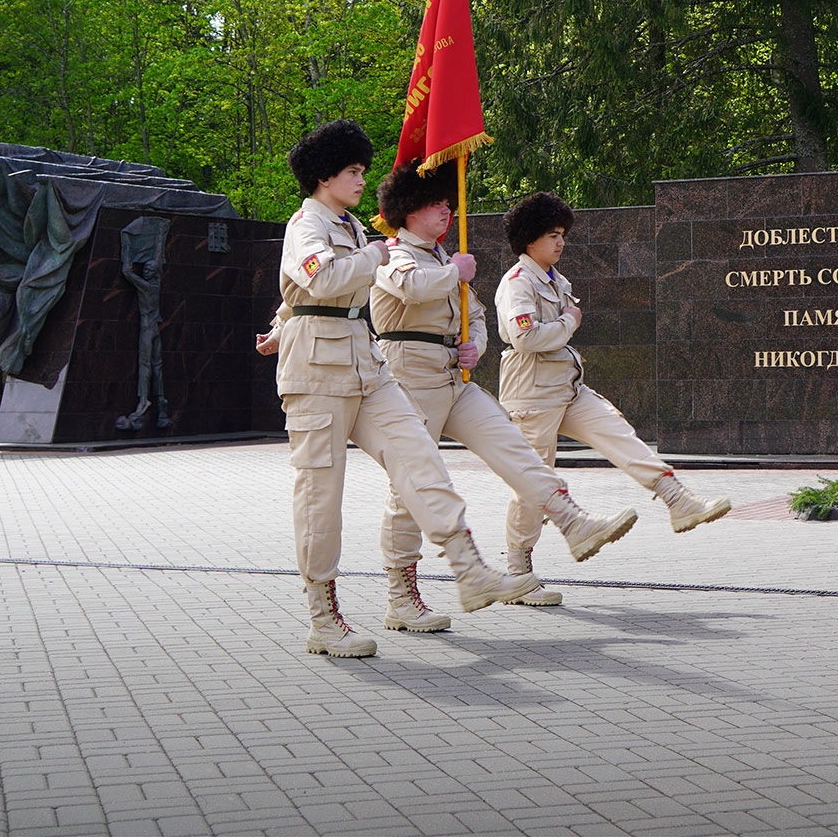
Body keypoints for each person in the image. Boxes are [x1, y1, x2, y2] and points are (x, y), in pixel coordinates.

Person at [257, 121, 537, 656]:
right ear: (324, 177)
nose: (363, 180)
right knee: (321, 495)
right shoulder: (307, 225)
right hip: (316, 373)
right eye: (353, 171)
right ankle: (323, 617)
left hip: (365, 363)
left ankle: (467, 567)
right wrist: (373, 258)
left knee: (418, 455)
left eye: (363, 171)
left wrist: (277, 324)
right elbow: (319, 279)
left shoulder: (352, 226)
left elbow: (303, 292)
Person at [370, 160, 637, 628]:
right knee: (410, 485)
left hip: (453, 375)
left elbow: (472, 313)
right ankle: (401, 595)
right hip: (410, 375)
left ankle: (572, 521)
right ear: (408, 209)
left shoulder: (441, 257)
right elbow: (411, 290)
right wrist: (454, 272)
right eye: (436, 204)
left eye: (449, 205)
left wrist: (476, 345)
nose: (446, 213)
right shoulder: (394, 254)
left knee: (514, 447)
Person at [493, 192, 731, 604]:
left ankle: (679, 501)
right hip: (531, 391)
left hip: (565, 385)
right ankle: (518, 571)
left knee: (617, 431)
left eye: (563, 234)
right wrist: (569, 321)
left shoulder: (553, 279)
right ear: (530, 240)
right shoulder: (518, 283)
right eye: (553, 235)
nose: (561, 242)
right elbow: (525, 337)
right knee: (534, 482)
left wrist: (564, 323)